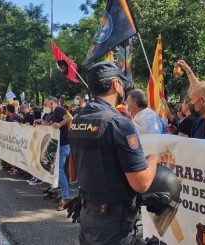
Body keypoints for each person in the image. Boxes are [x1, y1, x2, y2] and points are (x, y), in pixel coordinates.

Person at [68, 61, 158, 244]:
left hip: (88, 215)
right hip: (113, 224)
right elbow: (141, 183)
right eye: (122, 83)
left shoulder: (77, 120)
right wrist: (153, 158)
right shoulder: (119, 123)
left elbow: (75, 170)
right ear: (116, 84)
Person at [47, 96, 72, 211]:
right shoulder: (54, 112)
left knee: (59, 170)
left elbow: (69, 118)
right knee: (61, 170)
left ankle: (66, 197)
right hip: (60, 145)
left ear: (51, 103)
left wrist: (60, 124)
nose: (45, 105)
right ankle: (63, 194)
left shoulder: (59, 109)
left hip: (63, 145)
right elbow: (52, 126)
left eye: (46, 103)